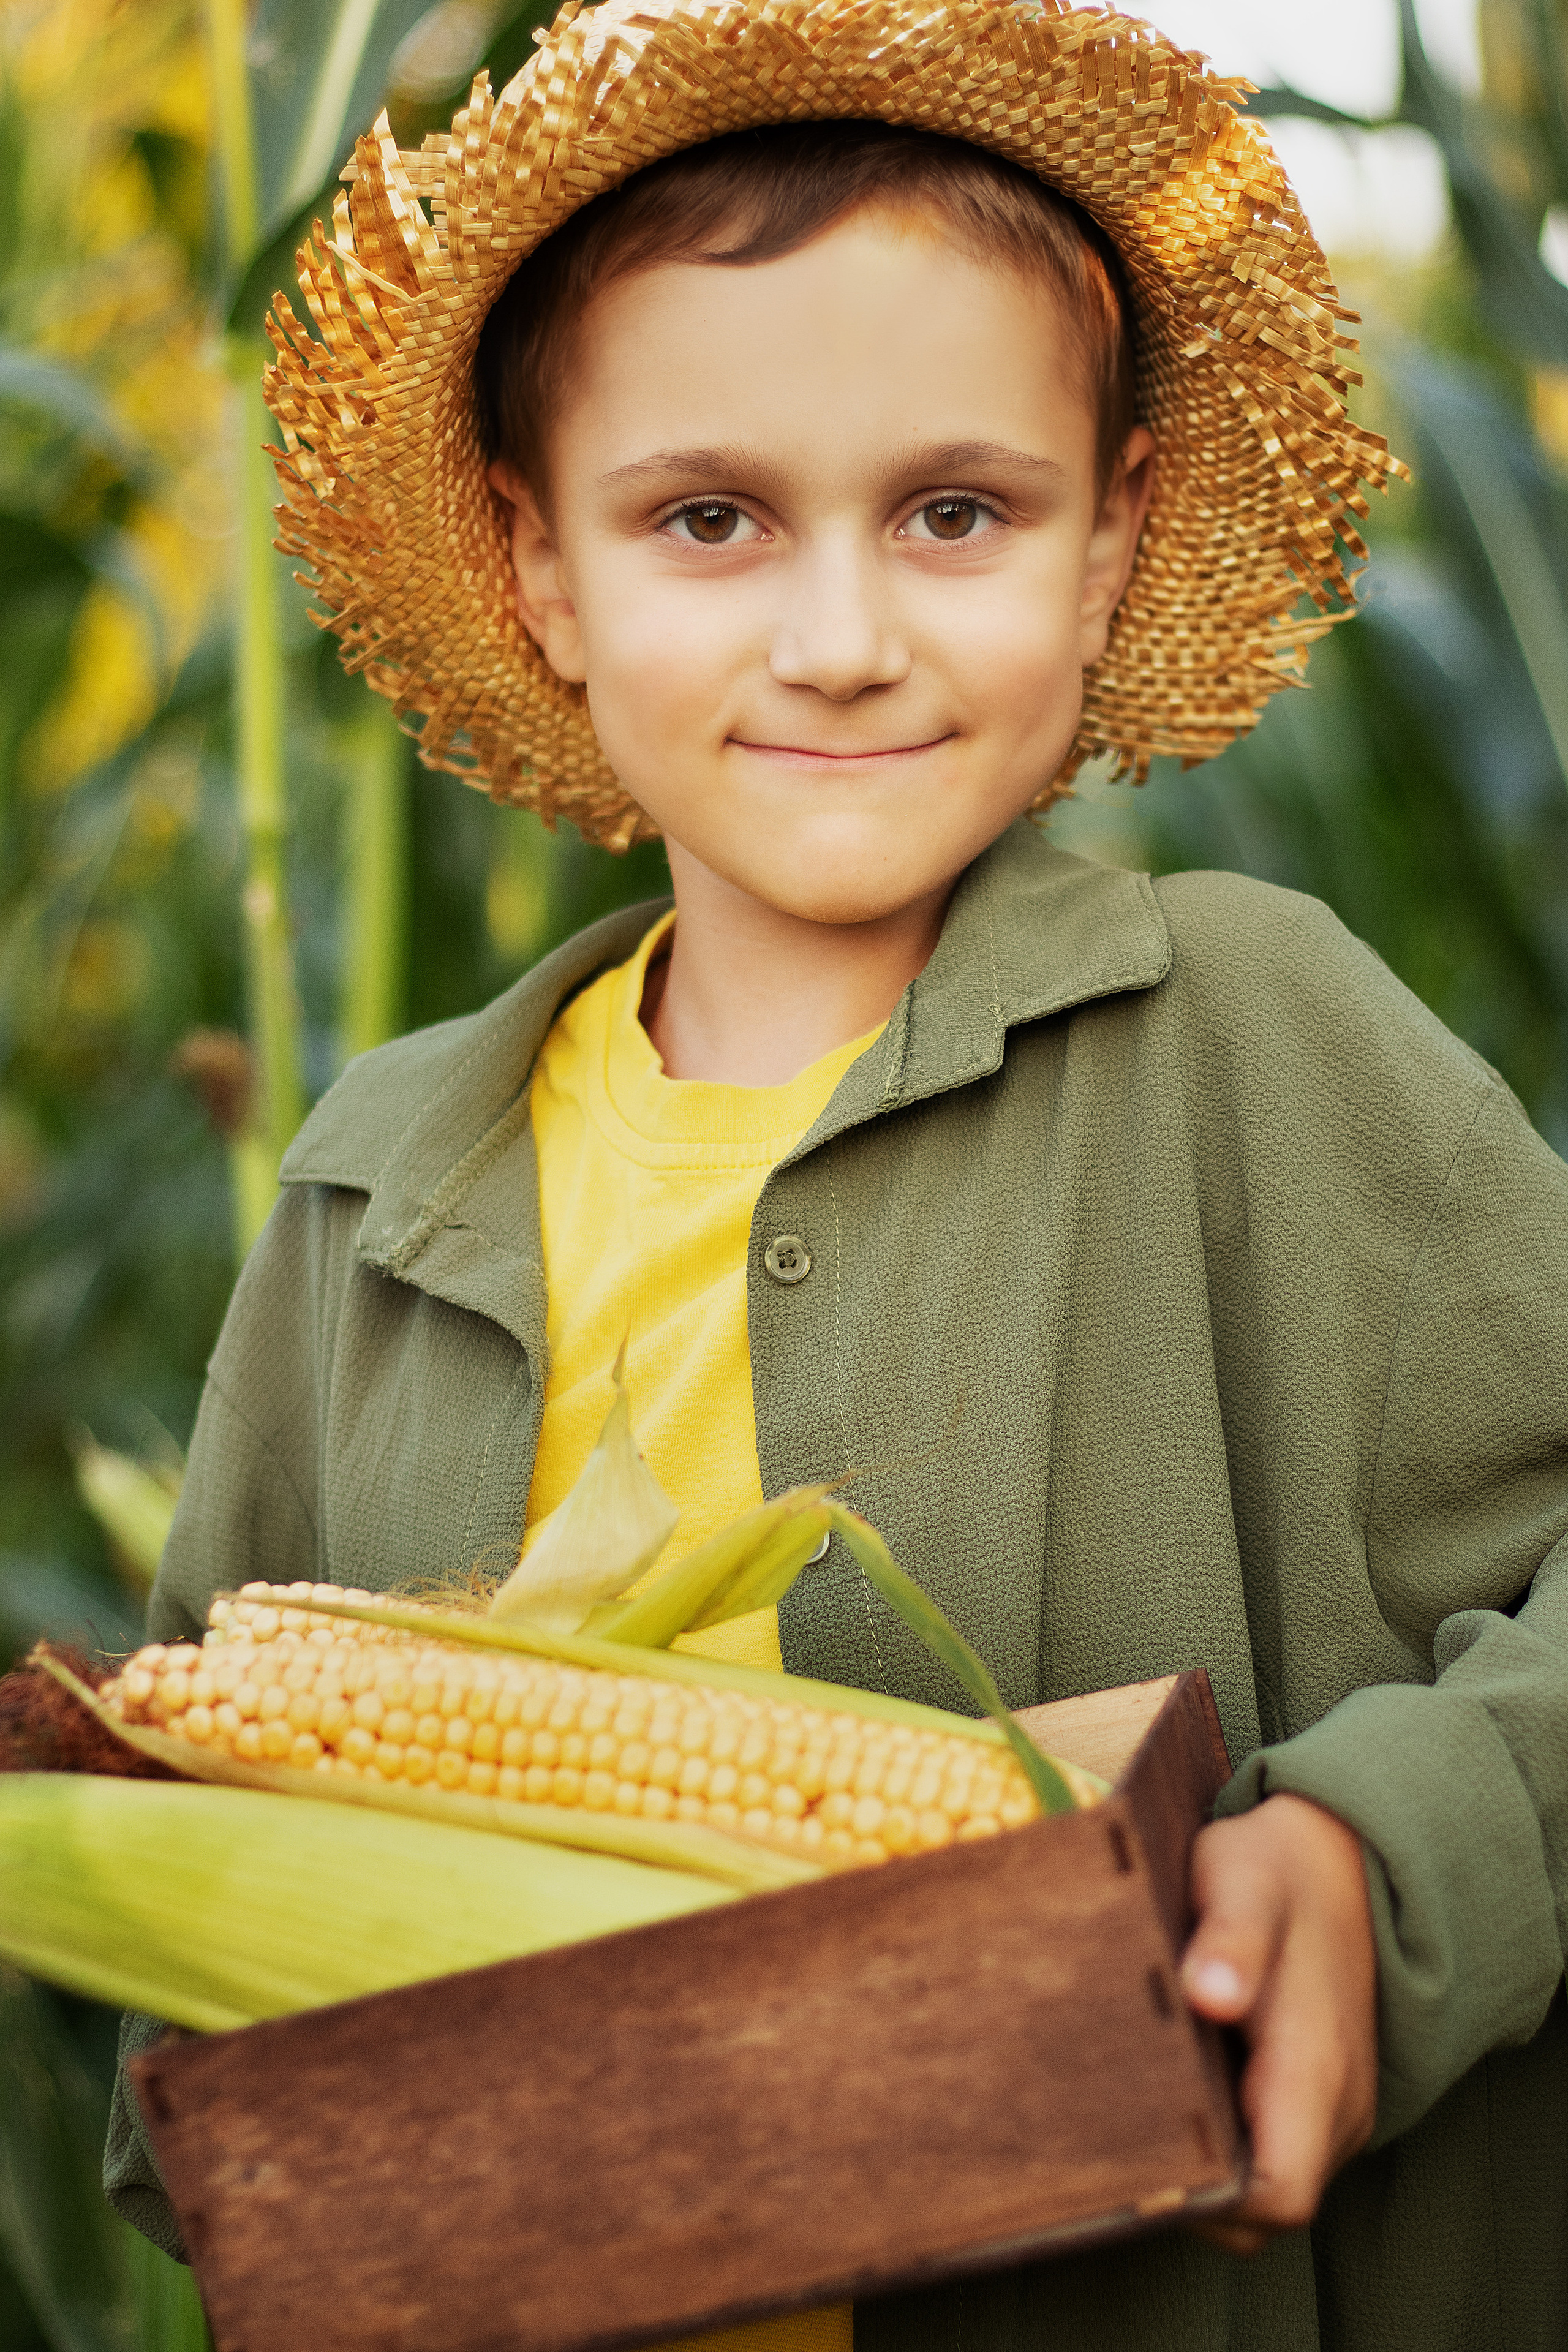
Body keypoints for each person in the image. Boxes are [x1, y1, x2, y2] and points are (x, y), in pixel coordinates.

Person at [108, 1, 1568, 2346]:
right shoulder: (366, 1196)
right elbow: (192, 1904)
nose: (842, 636)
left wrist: (1391, 1852)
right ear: (543, 572)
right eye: (708, 518)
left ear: (1106, 556)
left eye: (957, 513)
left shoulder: (1253, 1047)